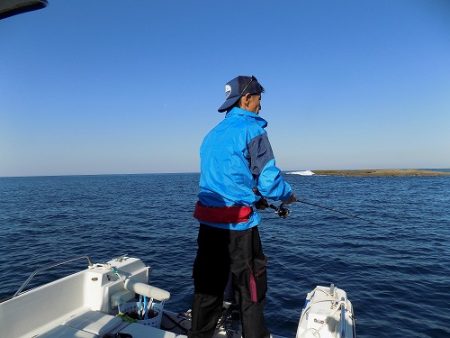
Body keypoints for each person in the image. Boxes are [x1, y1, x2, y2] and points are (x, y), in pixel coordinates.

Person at [190, 75, 297, 338]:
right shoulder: (254, 130)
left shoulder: (211, 135)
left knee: (207, 288)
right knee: (250, 291)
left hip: (209, 226)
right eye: (259, 98)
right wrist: (287, 195)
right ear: (246, 99)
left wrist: (253, 196)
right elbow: (270, 182)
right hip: (239, 229)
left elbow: (227, 178)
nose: (261, 105)